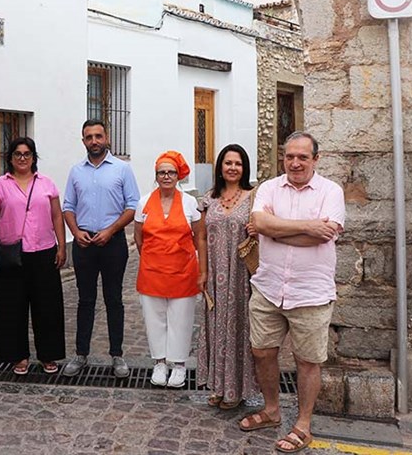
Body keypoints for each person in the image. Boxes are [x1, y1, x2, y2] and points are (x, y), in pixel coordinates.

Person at [238, 131, 345, 454]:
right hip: (268, 287)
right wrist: (307, 226)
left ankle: (303, 424)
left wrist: (276, 230)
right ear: (282, 157)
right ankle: (271, 410)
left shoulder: (331, 191)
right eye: (289, 156)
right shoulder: (269, 188)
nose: (295, 163)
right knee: (262, 352)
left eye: (302, 157)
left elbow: (322, 236)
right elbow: (259, 223)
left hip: (310, 292)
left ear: (316, 159)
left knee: (307, 361)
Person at [62, 119, 140, 378]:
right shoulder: (76, 171)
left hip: (113, 242)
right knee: (85, 300)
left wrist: (111, 230)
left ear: (107, 138)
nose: (94, 141)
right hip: (84, 243)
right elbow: (68, 206)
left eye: (98, 136)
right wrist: (75, 232)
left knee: (113, 299)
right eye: (89, 137)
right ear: (83, 141)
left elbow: (132, 206)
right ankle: (80, 354)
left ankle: (117, 355)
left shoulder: (122, 169)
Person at [0, 137, 67, 374]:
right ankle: (17, 355)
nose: (22, 158)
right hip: (11, 254)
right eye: (17, 154)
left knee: (47, 306)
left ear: (33, 157)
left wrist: (62, 246)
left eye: (27, 154)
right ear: (10, 158)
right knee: (11, 307)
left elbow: (57, 216)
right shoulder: (0, 185)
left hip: (43, 251)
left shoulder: (46, 184)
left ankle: (48, 355)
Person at [133, 151, 206, 388]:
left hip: (183, 272)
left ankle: (179, 364)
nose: (166, 176)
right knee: (154, 319)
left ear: (178, 176)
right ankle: (160, 363)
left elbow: (199, 237)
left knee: (181, 320)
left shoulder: (189, 203)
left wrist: (200, 267)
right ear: (156, 176)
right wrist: (153, 258)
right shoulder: (143, 202)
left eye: (171, 172)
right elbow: (139, 238)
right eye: (162, 172)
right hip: (152, 272)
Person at [197, 144, 259, 409]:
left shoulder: (253, 198)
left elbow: (261, 231)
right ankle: (218, 385)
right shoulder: (208, 199)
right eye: (228, 163)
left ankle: (236, 390)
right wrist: (202, 271)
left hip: (240, 275)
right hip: (214, 274)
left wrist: (257, 231)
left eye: (238, 163)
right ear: (220, 167)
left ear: (245, 168)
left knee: (238, 328)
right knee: (215, 327)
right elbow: (200, 237)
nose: (233, 168)